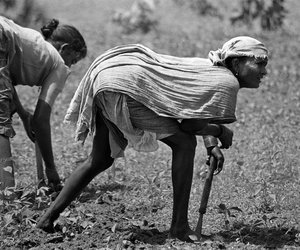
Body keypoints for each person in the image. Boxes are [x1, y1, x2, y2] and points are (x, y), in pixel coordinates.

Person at [37, 36, 268, 242]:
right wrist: (219, 132)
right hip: (125, 83)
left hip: (111, 73)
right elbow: (190, 126)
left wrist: (211, 144)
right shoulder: (227, 82)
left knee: (100, 159)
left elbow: (196, 109)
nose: (264, 71)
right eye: (259, 63)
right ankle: (178, 227)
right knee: (185, 144)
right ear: (236, 63)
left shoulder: (210, 67)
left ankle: (47, 219)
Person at [0, 16, 87, 191]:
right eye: (73, 61)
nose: (70, 66)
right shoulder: (59, 65)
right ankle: (6, 196)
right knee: (1, 123)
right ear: (66, 49)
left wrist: (23, 115)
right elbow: (41, 120)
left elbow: (5, 81)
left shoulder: (36, 46)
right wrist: (51, 168)